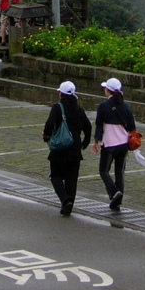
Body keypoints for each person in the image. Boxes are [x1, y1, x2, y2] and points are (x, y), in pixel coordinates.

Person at [41, 80, 92, 216]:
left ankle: (65, 200)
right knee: (71, 179)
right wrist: (85, 142)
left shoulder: (58, 108)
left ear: (61, 94)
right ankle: (69, 205)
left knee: (55, 176)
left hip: (60, 149)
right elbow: (88, 126)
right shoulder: (78, 109)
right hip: (75, 149)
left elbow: (49, 123)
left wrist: (46, 136)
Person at [92, 77, 136, 210]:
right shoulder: (126, 106)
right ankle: (119, 198)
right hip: (123, 145)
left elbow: (99, 125)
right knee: (119, 172)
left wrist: (96, 142)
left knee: (103, 170)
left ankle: (114, 192)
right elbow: (132, 127)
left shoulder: (103, 106)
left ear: (108, 91)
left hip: (109, 144)